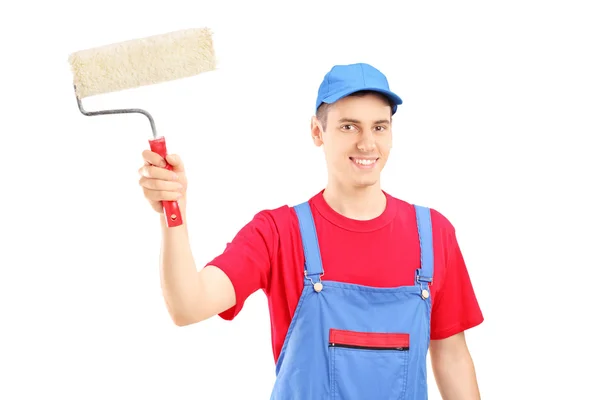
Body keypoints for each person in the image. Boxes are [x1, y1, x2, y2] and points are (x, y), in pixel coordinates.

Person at [138, 63, 484, 399]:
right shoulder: (277, 234)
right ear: (318, 132)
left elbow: (451, 356)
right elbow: (188, 304)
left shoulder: (433, 235)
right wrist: (175, 213)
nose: (367, 144)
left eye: (379, 127)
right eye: (349, 127)